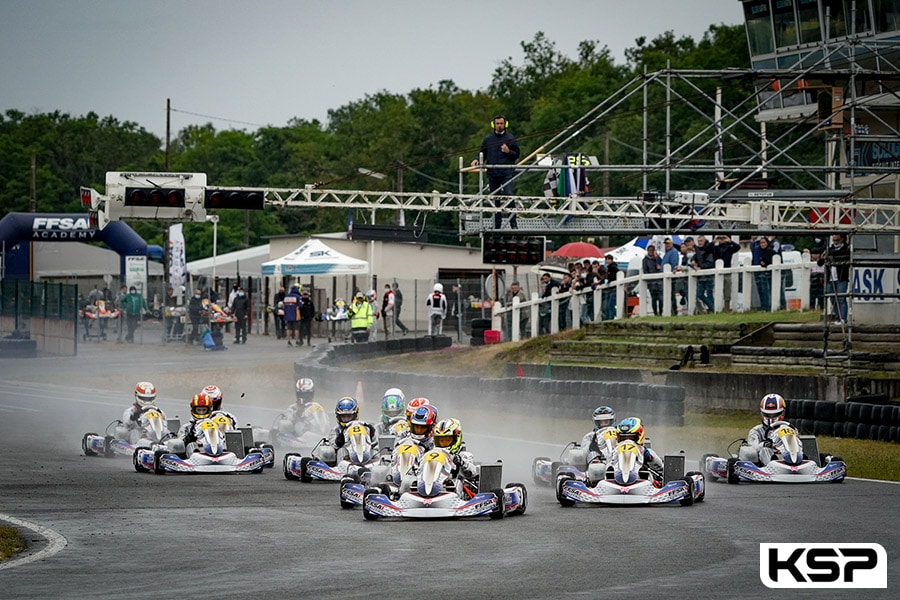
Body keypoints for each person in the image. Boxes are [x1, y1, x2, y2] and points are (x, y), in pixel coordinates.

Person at [471, 114, 521, 229]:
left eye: (501, 124)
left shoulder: (510, 138)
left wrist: (508, 151)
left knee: (509, 197)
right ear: (493, 125)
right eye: (497, 124)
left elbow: (516, 155)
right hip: (493, 174)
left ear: (505, 124)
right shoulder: (488, 139)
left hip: (506, 173)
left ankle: (513, 224)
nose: (499, 126)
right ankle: (497, 225)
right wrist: (476, 159)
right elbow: (482, 152)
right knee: (495, 199)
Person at [739, 393, 793, 466]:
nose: (771, 417)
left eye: (775, 414)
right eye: (768, 415)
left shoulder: (788, 429)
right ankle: (773, 466)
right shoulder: (756, 431)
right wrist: (764, 444)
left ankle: (799, 465)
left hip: (788, 457)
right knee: (765, 450)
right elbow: (753, 448)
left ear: (782, 413)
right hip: (765, 463)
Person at [433, 418, 478, 482]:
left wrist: (461, 463)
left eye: (447, 440)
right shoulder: (433, 455)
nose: (444, 443)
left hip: (455, 488)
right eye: (441, 441)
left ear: (457, 439)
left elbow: (473, 473)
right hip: (434, 486)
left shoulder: (464, 456)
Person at [818, 233, 850, 323]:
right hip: (830, 277)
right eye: (834, 240)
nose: (835, 242)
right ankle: (837, 317)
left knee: (841, 298)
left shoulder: (846, 249)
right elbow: (820, 263)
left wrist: (831, 254)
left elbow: (843, 255)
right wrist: (822, 258)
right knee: (832, 298)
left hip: (841, 277)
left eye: (837, 240)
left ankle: (843, 318)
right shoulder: (829, 249)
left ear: (842, 239)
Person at [710, 234, 741, 310]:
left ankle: (726, 307)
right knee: (717, 290)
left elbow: (738, 247)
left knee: (727, 290)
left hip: (727, 271)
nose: (721, 239)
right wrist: (713, 241)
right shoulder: (715, 248)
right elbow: (707, 249)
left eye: (723, 238)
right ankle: (718, 307)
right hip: (717, 272)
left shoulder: (729, 248)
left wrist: (730, 241)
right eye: (720, 238)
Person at [693, 235, 715, 313]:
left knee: (709, 293)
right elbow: (695, 259)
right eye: (698, 241)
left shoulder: (709, 250)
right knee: (699, 294)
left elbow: (710, 263)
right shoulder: (698, 250)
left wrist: (701, 267)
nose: (699, 243)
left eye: (701, 241)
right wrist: (693, 262)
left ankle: (712, 309)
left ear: (705, 241)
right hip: (701, 276)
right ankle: (712, 307)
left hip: (708, 275)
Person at [752, 236, 775, 312]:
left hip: (768, 274)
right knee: (762, 290)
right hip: (764, 273)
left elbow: (767, 262)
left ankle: (767, 307)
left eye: (764, 242)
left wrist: (764, 262)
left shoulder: (769, 250)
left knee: (766, 291)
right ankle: (764, 307)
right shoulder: (763, 251)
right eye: (761, 243)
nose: (762, 244)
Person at [661, 238, 681, 314]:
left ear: (672, 243)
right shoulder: (668, 253)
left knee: (671, 294)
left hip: (670, 277)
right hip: (665, 277)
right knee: (668, 294)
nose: (667, 245)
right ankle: (671, 310)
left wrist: (672, 273)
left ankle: (673, 311)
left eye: (668, 243)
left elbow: (674, 264)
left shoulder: (673, 252)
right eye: (666, 243)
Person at [642, 244, 663, 316]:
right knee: (654, 299)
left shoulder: (658, 258)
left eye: (652, 250)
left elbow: (662, 265)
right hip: (651, 282)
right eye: (650, 250)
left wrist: (657, 259)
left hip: (659, 281)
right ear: (648, 251)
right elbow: (645, 271)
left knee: (661, 298)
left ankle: (661, 312)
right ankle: (655, 313)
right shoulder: (645, 260)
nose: (651, 252)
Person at [808, 243, 826, 311]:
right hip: (813, 281)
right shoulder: (809, 262)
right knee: (812, 296)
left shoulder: (822, 261)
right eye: (813, 254)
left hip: (821, 280)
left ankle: (821, 307)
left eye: (816, 254)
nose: (815, 255)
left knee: (821, 295)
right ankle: (811, 307)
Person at [602, 255, 619, 320]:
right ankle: (608, 318)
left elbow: (613, 276)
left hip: (613, 288)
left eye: (609, 259)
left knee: (610, 305)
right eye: (607, 259)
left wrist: (609, 280)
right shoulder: (608, 268)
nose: (607, 261)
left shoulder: (613, 268)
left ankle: (612, 317)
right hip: (610, 288)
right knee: (607, 306)